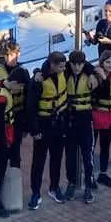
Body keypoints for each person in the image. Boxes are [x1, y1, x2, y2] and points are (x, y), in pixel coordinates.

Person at [27, 51, 69, 210]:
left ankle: (54, 187)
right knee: (38, 160)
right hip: (43, 126)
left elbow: (82, 65)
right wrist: (34, 129)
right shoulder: (37, 82)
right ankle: (35, 193)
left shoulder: (64, 72)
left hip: (60, 123)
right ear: (52, 65)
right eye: (61, 66)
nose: (64, 69)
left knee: (57, 158)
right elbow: (31, 107)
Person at [0, 67, 27, 218]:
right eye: (20, 86)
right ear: (14, 83)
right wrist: (4, 143)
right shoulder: (1, 99)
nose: (21, 89)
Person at [62, 50, 97, 203]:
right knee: (69, 155)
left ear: (83, 63)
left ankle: (88, 186)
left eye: (80, 64)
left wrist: (90, 71)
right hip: (70, 119)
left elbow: (93, 70)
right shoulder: (66, 74)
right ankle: (71, 183)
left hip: (85, 119)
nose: (77, 67)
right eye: (74, 64)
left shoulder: (90, 75)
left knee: (87, 155)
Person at [0, 38, 30, 171]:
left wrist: (27, 124)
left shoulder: (24, 71)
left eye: (12, 55)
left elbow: (28, 97)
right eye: (6, 55)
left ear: (18, 54)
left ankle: (14, 185)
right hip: (2, 119)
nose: (8, 58)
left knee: (15, 155)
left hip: (18, 118)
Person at [91, 50, 111, 188]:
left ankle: (103, 173)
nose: (110, 65)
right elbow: (105, 92)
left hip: (109, 116)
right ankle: (89, 175)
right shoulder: (95, 77)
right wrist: (103, 77)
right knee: (91, 147)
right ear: (102, 62)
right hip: (96, 116)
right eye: (107, 62)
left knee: (105, 146)